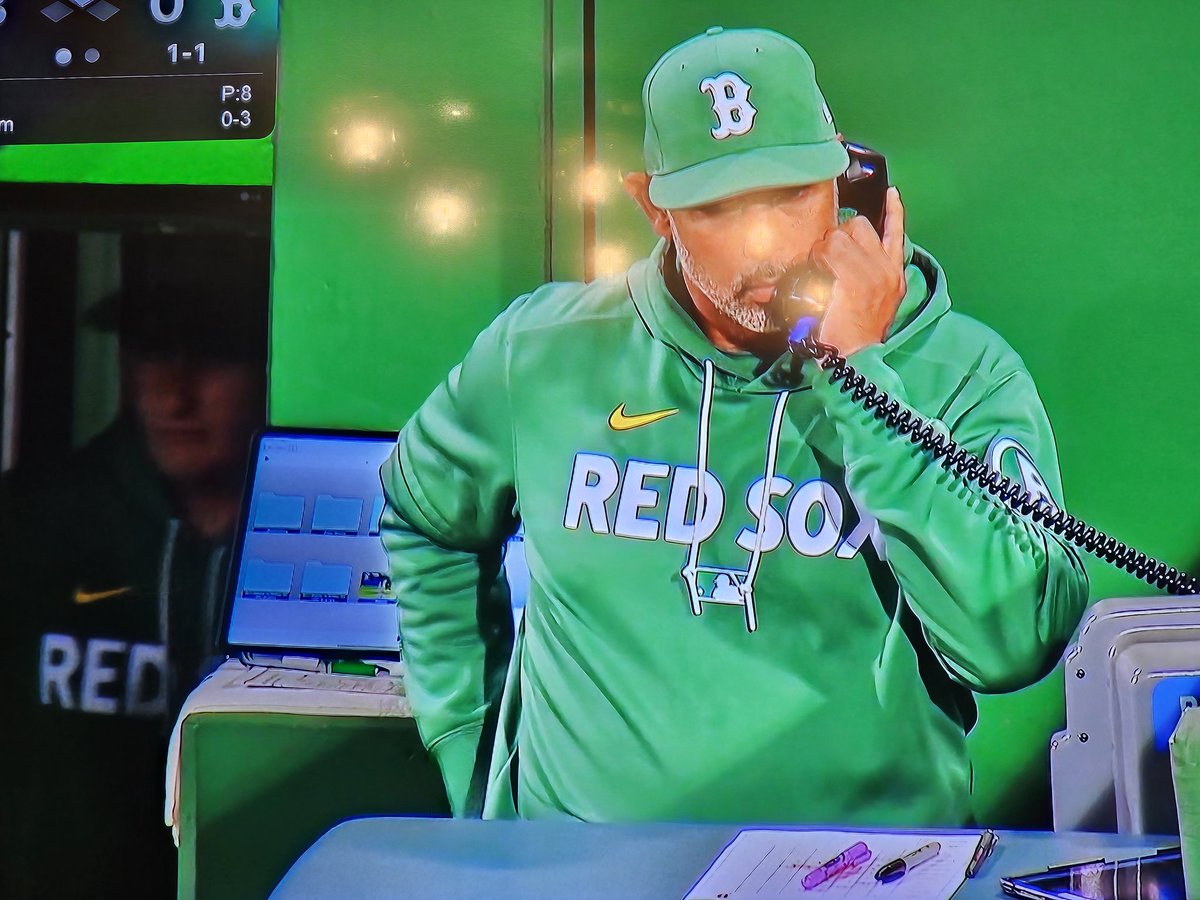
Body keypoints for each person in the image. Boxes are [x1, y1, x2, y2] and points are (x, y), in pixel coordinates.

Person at [380, 26, 1089, 826]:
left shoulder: (959, 371)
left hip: (867, 878)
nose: (770, 244)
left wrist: (862, 374)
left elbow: (1011, 645)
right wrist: (474, 751)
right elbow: (423, 518)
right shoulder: (542, 352)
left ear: (847, 181)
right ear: (654, 207)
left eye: (791, 194)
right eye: (719, 207)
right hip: (586, 875)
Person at [0, 233, 268, 898]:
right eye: (151, 351)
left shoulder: (322, 544)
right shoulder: (32, 525)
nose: (171, 394)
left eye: (211, 355)